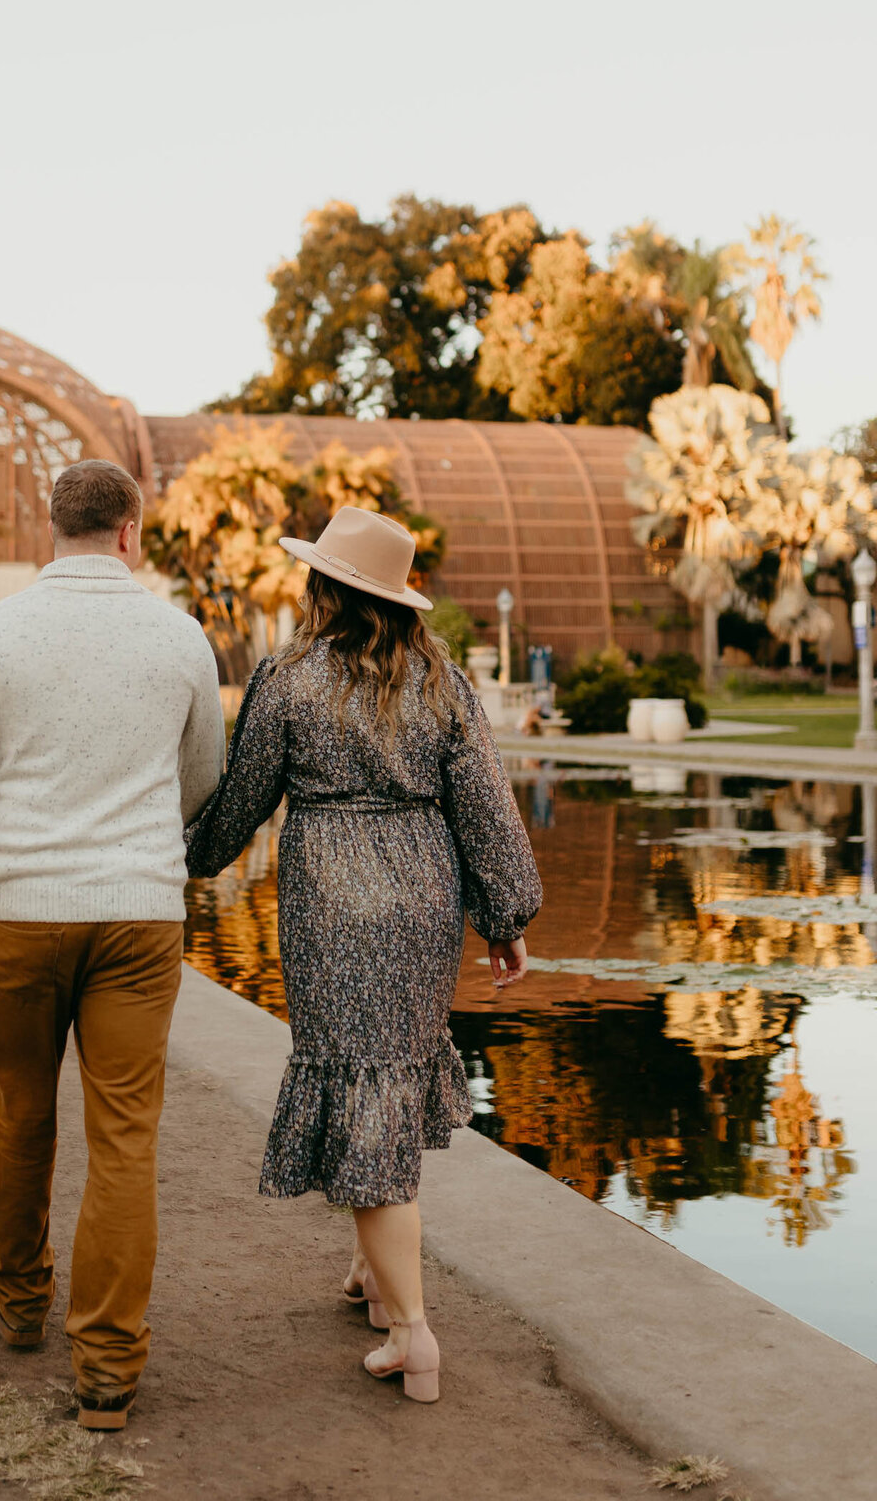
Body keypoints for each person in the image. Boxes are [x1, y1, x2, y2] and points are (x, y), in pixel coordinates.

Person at [185, 506, 542, 1404]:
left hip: (333, 903)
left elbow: (242, 802)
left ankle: (415, 1337)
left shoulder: (290, 678)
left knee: (359, 1080)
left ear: (321, 586)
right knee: (384, 1079)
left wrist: (179, 862)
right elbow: (489, 809)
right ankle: (372, 1282)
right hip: (422, 901)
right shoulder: (442, 682)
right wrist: (506, 914)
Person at [0, 459, 224, 1430]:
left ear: (56, 527)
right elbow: (204, 780)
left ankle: (18, 1301)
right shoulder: (179, 637)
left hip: (21, 912)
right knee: (124, 1138)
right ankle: (108, 1373)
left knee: (20, 1110)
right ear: (131, 530)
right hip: (139, 917)